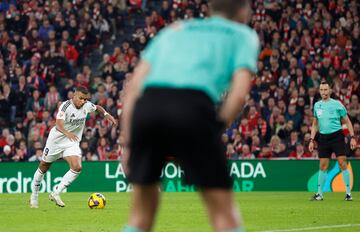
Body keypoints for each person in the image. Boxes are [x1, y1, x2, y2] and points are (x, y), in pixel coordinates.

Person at [121, 0, 259, 231]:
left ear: (210, 9)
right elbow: (238, 95)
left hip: (148, 107)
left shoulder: (175, 30)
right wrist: (214, 129)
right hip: (192, 107)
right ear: (244, 10)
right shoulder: (243, 35)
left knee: (139, 216)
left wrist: (128, 142)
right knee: (223, 214)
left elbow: (133, 87)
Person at [29, 86, 117, 208]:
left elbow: (98, 108)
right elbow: (58, 124)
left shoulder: (86, 105)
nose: (83, 101)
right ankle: (34, 196)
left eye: (85, 99)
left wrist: (107, 115)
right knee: (44, 166)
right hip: (56, 141)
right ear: (74, 95)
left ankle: (56, 193)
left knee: (77, 167)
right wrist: (67, 133)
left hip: (71, 142)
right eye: (81, 98)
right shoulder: (65, 106)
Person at [309, 81, 357, 201]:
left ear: (330, 91)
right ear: (319, 91)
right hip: (323, 138)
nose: (324, 92)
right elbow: (315, 124)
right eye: (322, 90)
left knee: (342, 163)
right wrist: (311, 140)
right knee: (323, 166)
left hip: (337, 137)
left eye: (326, 90)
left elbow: (347, 121)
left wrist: (352, 137)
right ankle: (319, 194)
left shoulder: (337, 104)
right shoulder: (317, 105)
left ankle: (348, 193)